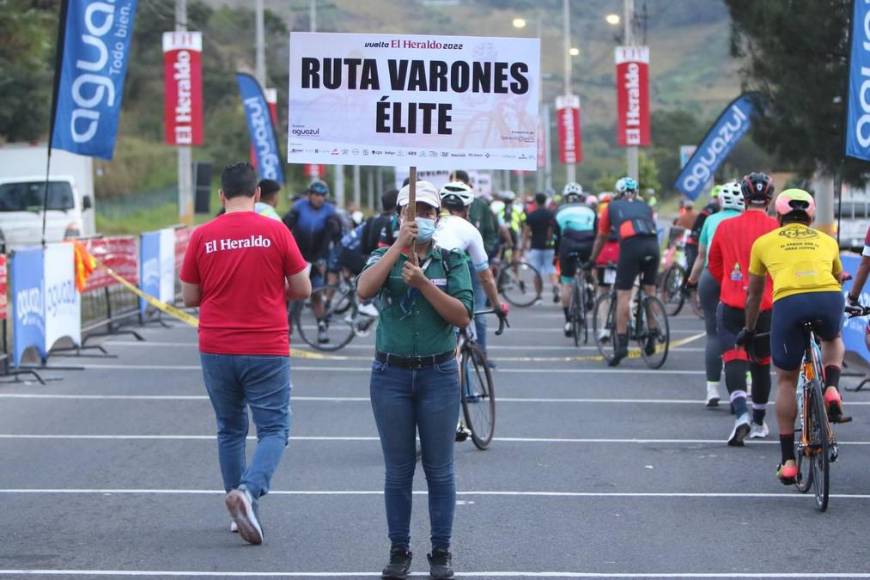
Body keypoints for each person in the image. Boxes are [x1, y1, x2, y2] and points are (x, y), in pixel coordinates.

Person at [180, 162, 312, 545]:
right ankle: (249, 493)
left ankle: (238, 516)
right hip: (265, 345)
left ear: (221, 196)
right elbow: (302, 288)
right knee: (274, 429)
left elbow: (190, 297)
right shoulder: (275, 230)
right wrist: (270, 289)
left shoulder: (203, 235)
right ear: (257, 194)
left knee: (230, 428)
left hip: (217, 346)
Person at [357, 181, 473, 580]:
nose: (419, 218)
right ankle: (398, 548)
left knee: (440, 470)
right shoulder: (381, 255)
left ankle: (440, 551)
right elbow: (364, 289)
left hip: (438, 375)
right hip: (390, 375)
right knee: (398, 470)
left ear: (437, 217)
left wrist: (423, 283)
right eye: (411, 211)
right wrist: (395, 249)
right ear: (399, 216)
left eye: (426, 211)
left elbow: (461, 316)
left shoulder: (451, 260)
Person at [739, 188, 851, 484]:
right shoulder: (827, 240)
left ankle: (788, 461)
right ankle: (832, 387)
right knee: (833, 338)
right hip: (827, 299)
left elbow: (753, 294)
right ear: (811, 216)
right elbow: (838, 275)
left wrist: (749, 328)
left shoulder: (763, 243)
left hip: (789, 303)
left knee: (787, 379)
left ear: (778, 216)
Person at [707, 173, 778, 446]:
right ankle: (759, 422)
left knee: (734, 360)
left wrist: (731, 281)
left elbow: (714, 266)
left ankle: (740, 416)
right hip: (766, 306)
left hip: (733, 304)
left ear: (745, 198)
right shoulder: (776, 228)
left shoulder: (725, 227)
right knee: (761, 365)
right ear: (769, 199)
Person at [433, 181, 509, 365]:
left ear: (441, 205)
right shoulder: (469, 229)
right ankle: (460, 377)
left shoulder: (430, 222)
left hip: (427, 280)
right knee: (464, 326)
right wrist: (497, 304)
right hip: (454, 279)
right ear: (467, 208)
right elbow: (485, 275)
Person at [588, 177, 660, 366]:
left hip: (631, 246)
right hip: (653, 246)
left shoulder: (611, 207)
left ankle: (621, 345)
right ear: (636, 192)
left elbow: (601, 237)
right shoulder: (646, 207)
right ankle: (653, 331)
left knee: (623, 296)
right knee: (649, 289)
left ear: (618, 193)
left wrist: (592, 259)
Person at [687, 181, 743, 406]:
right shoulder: (745, 220)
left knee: (713, 333)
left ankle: (712, 389)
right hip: (739, 276)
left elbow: (701, 255)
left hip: (711, 276)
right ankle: (745, 385)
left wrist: (691, 280)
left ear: (721, 201)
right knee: (742, 332)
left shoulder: (710, 220)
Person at [283, 180, 342, 343]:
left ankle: (322, 328)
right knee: (289, 295)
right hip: (297, 258)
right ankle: (286, 327)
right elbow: (283, 228)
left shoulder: (330, 211)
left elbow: (338, 237)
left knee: (316, 294)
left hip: (317, 259)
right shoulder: (298, 207)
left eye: (323, 195)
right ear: (309, 195)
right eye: (316, 194)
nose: (319, 198)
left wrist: (335, 229)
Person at [554, 182, 597, 336]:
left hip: (568, 246)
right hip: (588, 244)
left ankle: (568, 321)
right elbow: (597, 232)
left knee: (566, 283)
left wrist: (556, 255)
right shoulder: (590, 210)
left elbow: (556, 237)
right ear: (581, 197)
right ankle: (590, 288)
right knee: (590, 267)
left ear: (566, 197)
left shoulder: (559, 211)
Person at [523, 191, 558, 303]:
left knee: (536, 271)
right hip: (549, 246)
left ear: (536, 202)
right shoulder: (550, 214)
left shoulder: (531, 215)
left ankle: (539, 296)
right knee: (550, 268)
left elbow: (526, 233)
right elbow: (553, 230)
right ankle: (555, 286)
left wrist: (523, 246)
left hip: (536, 246)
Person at [686, 186, 721, 275]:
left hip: (704, 240)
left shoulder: (716, 208)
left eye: (719, 198)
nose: (717, 200)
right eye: (715, 197)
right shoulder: (711, 207)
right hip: (695, 240)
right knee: (693, 265)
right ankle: (686, 286)